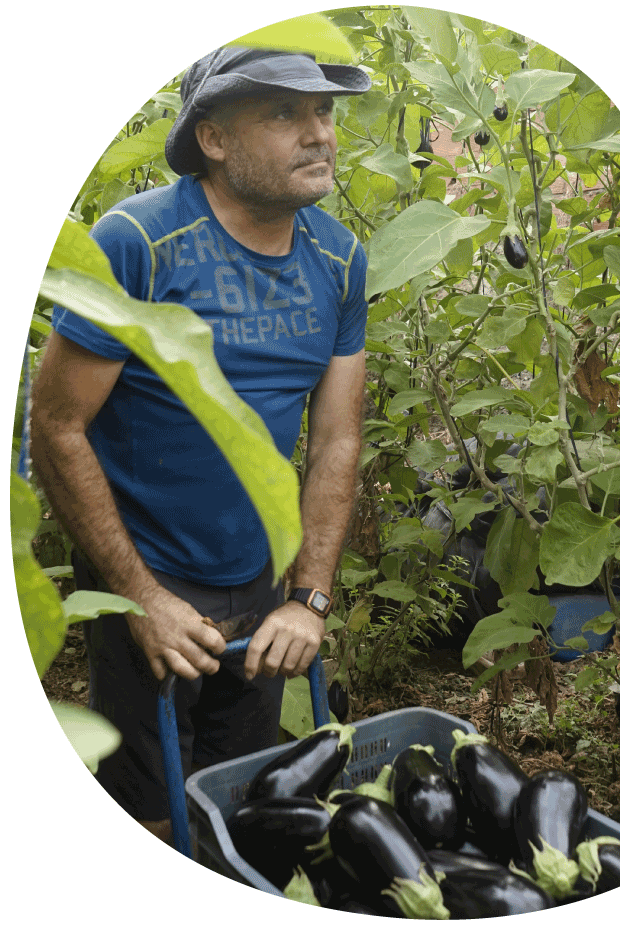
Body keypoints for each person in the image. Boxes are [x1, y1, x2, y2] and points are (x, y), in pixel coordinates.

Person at [30, 46, 372, 845]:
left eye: (323, 110)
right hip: (142, 571)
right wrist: (142, 596)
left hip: (258, 576)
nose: (318, 132)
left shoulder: (339, 258)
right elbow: (57, 424)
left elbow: (336, 439)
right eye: (284, 113)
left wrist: (310, 596)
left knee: (246, 797)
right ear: (213, 139)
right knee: (151, 811)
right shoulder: (139, 243)